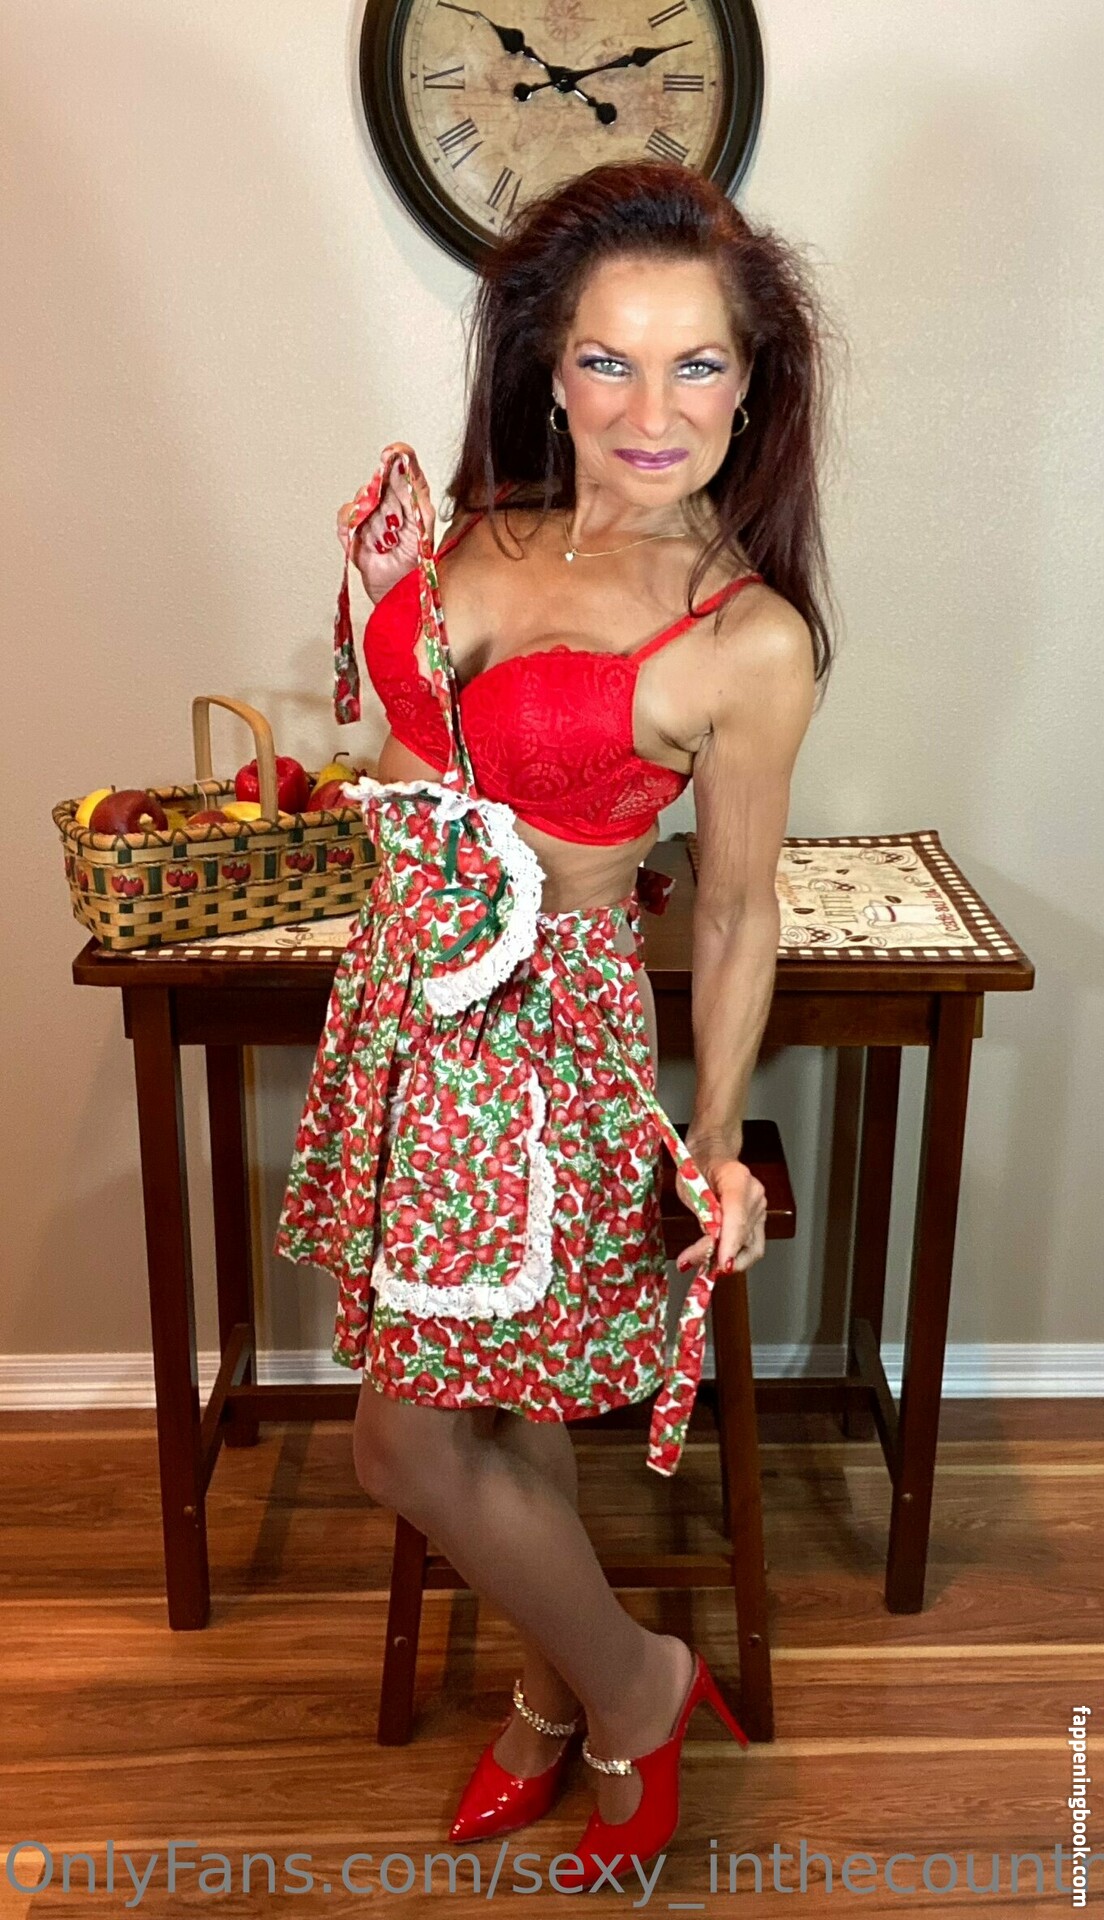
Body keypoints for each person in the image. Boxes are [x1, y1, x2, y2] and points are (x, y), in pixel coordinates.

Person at [275, 159, 835, 1886]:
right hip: (406, 1006)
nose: (651, 413)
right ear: (551, 368)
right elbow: (410, 756)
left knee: (399, 1438)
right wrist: (380, 623)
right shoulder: (482, 534)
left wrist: (716, 1141)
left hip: (541, 1049)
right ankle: (558, 1684)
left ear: (751, 382)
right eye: (609, 360)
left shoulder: (748, 638)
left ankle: (635, 1685)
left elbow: (733, 909)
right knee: (495, 1405)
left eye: (696, 364)